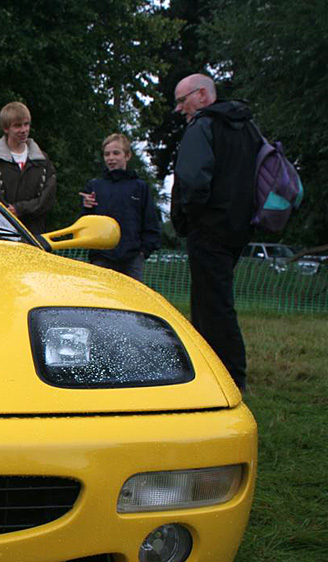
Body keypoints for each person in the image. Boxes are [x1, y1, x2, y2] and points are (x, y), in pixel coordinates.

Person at [171, 73, 262, 391]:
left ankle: (226, 378)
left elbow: (193, 180)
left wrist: (188, 216)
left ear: (201, 95)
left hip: (208, 228)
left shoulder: (203, 127)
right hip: (239, 228)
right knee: (220, 301)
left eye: (182, 101)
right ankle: (229, 373)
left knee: (210, 306)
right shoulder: (249, 128)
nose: (181, 109)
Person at [79, 133, 162, 281]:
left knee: (132, 301)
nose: (111, 158)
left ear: (127, 155)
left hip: (132, 258)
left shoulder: (139, 187)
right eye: (107, 154)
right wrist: (86, 208)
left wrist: (143, 252)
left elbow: (150, 222)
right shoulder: (94, 186)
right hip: (102, 258)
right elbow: (85, 225)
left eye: (116, 153)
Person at [0, 101, 56, 234]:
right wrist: (8, 213)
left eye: (26, 124)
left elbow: (47, 199)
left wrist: (19, 209)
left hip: (35, 234)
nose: (23, 130)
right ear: (6, 128)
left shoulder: (43, 159)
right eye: (17, 126)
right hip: (1, 232)